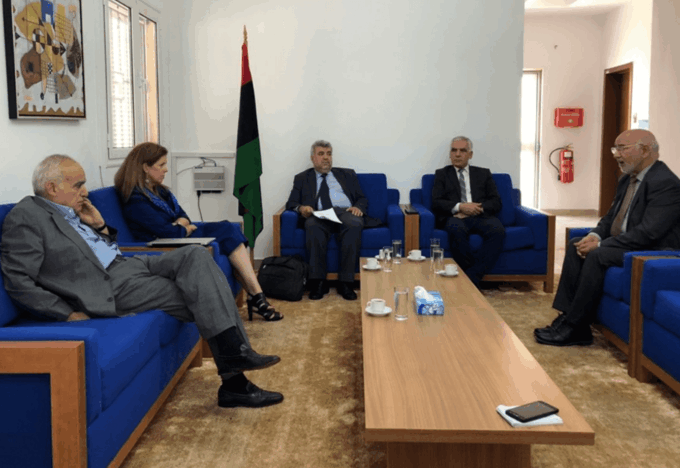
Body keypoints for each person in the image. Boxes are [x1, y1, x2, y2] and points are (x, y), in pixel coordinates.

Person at [1, 155, 284, 408]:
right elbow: (18, 282)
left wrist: (100, 226)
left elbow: (97, 250)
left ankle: (235, 363)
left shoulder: (73, 210)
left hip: (128, 262)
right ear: (52, 188)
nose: (85, 192)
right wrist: (66, 313)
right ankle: (236, 380)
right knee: (202, 291)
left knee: (196, 255)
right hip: (109, 286)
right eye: (78, 185)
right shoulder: (27, 217)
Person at [535, 129, 680, 347]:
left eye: (622, 148)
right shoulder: (627, 180)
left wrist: (601, 244)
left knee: (598, 255)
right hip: (627, 244)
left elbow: (649, 233)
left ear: (645, 150)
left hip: (651, 250)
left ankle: (576, 326)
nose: (616, 154)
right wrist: (594, 235)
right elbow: (611, 217)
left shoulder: (665, 183)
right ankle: (567, 317)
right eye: (615, 149)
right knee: (576, 244)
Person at [114, 142, 282, 322]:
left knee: (228, 228)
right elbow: (168, 233)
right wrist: (182, 227)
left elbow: (183, 216)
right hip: (162, 246)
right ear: (146, 168)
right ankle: (257, 296)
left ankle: (255, 295)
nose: (166, 170)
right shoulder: (135, 199)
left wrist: (180, 225)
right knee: (227, 234)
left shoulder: (160, 191)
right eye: (161, 165)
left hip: (179, 237)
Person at [285, 140, 366, 300]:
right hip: (319, 214)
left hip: (345, 212)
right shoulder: (302, 178)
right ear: (312, 158)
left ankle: (346, 282)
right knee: (312, 225)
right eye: (321, 154)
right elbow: (292, 203)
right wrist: (302, 208)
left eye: (329, 154)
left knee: (354, 223)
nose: (326, 158)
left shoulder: (347, 174)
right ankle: (318, 282)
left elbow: (362, 198)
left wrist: (358, 207)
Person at [431, 136, 505, 287]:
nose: (457, 154)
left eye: (462, 151)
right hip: (455, 216)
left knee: (498, 230)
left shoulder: (483, 174)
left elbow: (496, 202)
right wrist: (460, 206)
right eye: (454, 150)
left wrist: (475, 208)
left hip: (480, 216)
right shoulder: (442, 174)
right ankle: (473, 280)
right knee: (456, 229)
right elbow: (436, 202)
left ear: (470, 154)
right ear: (450, 154)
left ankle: (471, 279)